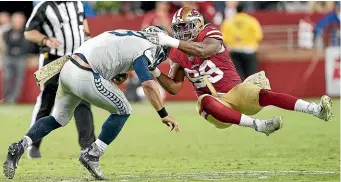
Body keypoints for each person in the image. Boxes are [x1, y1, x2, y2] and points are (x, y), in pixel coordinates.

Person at [3, 26, 180, 180]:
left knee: (58, 118)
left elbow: (107, 57)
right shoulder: (147, 46)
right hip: (85, 72)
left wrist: (115, 75)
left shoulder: (127, 36)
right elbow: (148, 84)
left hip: (68, 67)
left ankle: (21, 145)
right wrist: (163, 114)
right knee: (124, 109)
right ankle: (93, 154)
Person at [147, 7, 334, 135]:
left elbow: (204, 50)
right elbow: (173, 87)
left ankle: (316, 110)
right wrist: (154, 69)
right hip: (217, 108)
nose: (181, 33)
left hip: (235, 92)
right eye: (178, 29)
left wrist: (170, 41)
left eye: (185, 27)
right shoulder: (177, 53)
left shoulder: (209, 32)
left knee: (262, 94)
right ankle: (260, 126)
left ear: (198, 25)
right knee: (203, 101)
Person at [24, 1, 96, 158]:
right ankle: (33, 144)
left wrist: (88, 37)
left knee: (83, 99)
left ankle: (88, 146)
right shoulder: (44, 6)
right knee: (46, 101)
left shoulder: (77, 3)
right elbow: (28, 32)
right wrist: (45, 40)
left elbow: (82, 21)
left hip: (76, 58)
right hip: (52, 60)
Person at [221, 4, 263, 80]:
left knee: (237, 76)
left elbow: (224, 38)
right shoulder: (252, 21)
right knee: (251, 75)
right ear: (244, 10)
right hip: (249, 50)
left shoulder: (228, 21)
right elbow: (259, 36)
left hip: (234, 50)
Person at [2, 12, 30, 103]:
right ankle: (6, 98)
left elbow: (27, 47)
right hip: (8, 58)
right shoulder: (6, 32)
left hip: (20, 59)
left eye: (19, 20)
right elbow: (6, 45)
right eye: (16, 20)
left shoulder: (26, 33)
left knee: (18, 80)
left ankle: (13, 99)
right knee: (7, 77)